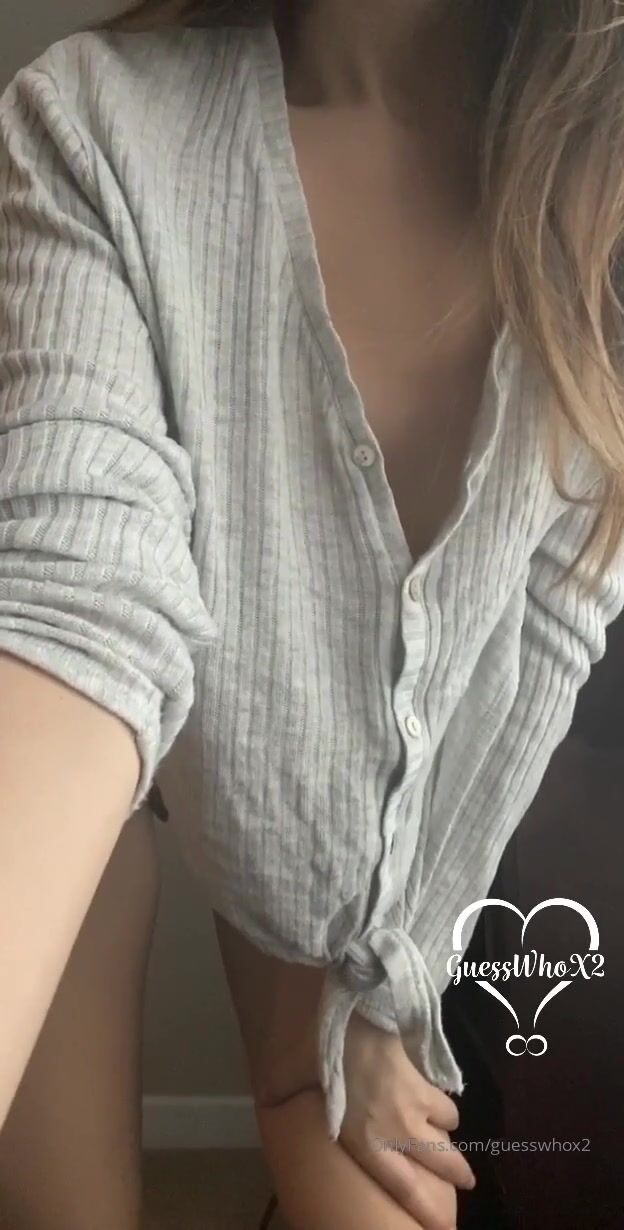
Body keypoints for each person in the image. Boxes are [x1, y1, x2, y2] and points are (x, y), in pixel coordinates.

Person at [1, 2, 624, 1228]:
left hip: (373, 879)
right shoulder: (93, 124)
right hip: (136, 770)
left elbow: (545, 628)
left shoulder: (594, 159)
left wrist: (371, 982)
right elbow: (72, 604)